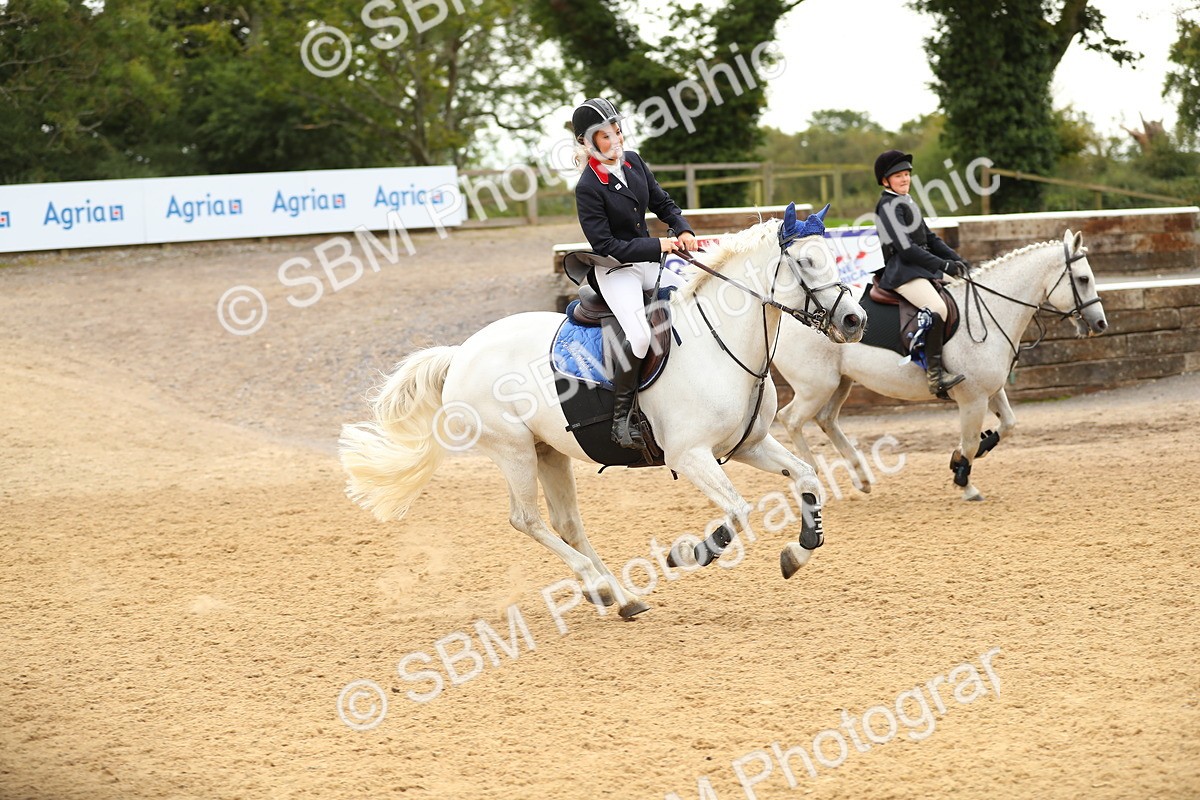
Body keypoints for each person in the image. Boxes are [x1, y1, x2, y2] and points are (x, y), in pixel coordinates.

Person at [571, 97, 698, 449]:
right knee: (640, 337)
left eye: (617, 132)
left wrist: (681, 228)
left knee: (698, 303)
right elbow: (607, 243)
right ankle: (622, 418)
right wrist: (660, 246)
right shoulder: (587, 188)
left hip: (647, 263)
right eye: (605, 137)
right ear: (586, 142)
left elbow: (662, 202)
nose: (615, 142)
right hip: (616, 270)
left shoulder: (635, 163)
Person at [873, 149, 968, 396]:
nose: (905, 179)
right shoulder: (887, 206)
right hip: (903, 271)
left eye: (907, 174)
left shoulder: (907, 201)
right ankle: (935, 375)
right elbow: (905, 249)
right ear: (886, 181)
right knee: (938, 308)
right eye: (898, 176)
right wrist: (942, 265)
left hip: (921, 266)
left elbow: (930, 238)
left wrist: (957, 260)